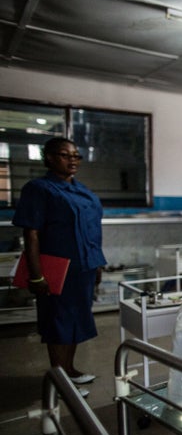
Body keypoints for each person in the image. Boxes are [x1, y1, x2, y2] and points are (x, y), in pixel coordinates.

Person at [12, 137, 106, 398]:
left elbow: (93, 231)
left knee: (77, 321)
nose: (72, 160)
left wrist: (97, 264)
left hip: (84, 267)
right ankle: (59, 378)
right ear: (49, 158)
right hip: (57, 270)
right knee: (58, 323)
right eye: (65, 155)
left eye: (76, 155)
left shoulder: (83, 191)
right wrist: (36, 274)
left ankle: (70, 369)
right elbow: (31, 234)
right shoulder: (39, 189)